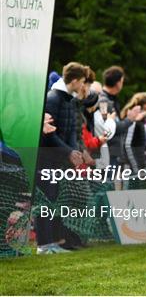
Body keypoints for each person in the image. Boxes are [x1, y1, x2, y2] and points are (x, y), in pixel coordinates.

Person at [37, 62, 87, 254]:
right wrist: (69, 152)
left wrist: (74, 153)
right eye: (82, 82)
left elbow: (71, 132)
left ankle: (55, 242)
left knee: (55, 200)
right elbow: (49, 134)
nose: (83, 86)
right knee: (46, 201)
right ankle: (44, 245)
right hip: (46, 160)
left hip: (59, 160)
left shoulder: (69, 100)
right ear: (74, 81)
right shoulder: (53, 98)